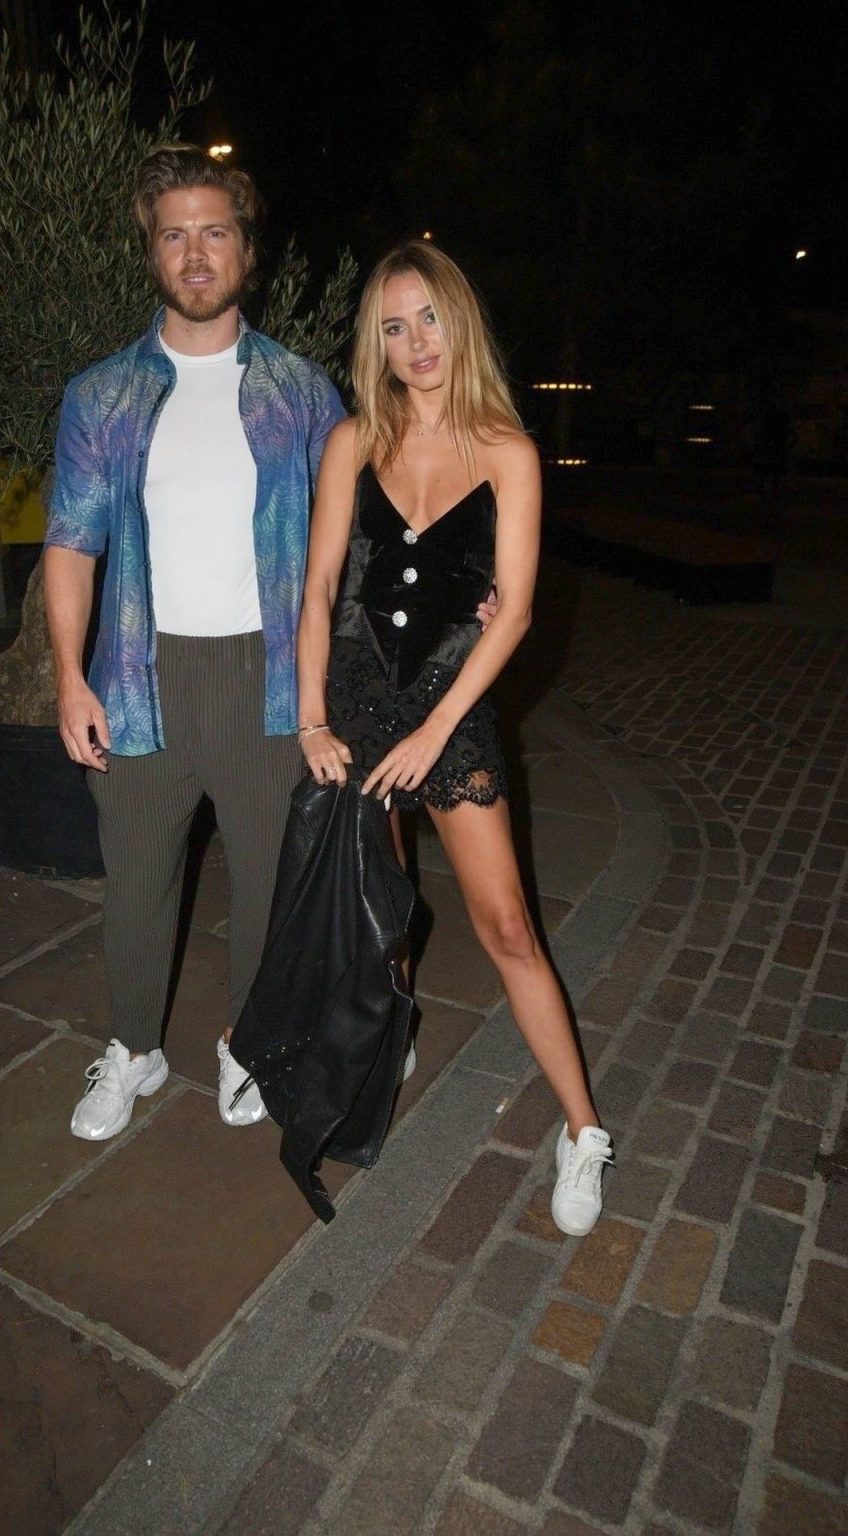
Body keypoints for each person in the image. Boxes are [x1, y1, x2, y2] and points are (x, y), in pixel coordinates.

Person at [296, 242, 612, 1236]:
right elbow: (318, 586)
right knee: (379, 908)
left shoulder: (508, 451)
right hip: (357, 707)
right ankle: (389, 1031)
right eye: (394, 326)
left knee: (507, 925)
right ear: (376, 344)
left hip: (450, 709)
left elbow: (513, 611)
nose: (416, 341)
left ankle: (583, 1129)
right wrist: (310, 716)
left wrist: (436, 731)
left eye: (428, 317)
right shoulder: (353, 441)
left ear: (458, 320)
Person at [43, 144, 345, 1138]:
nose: (196, 252)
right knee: (135, 879)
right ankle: (133, 1048)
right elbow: (71, 543)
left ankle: (246, 1042)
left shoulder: (302, 391)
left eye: (215, 231)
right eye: (174, 235)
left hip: (269, 676)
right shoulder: (100, 395)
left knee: (267, 879)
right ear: (153, 253)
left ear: (247, 251)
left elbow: (355, 541)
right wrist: (70, 679)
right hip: (139, 674)